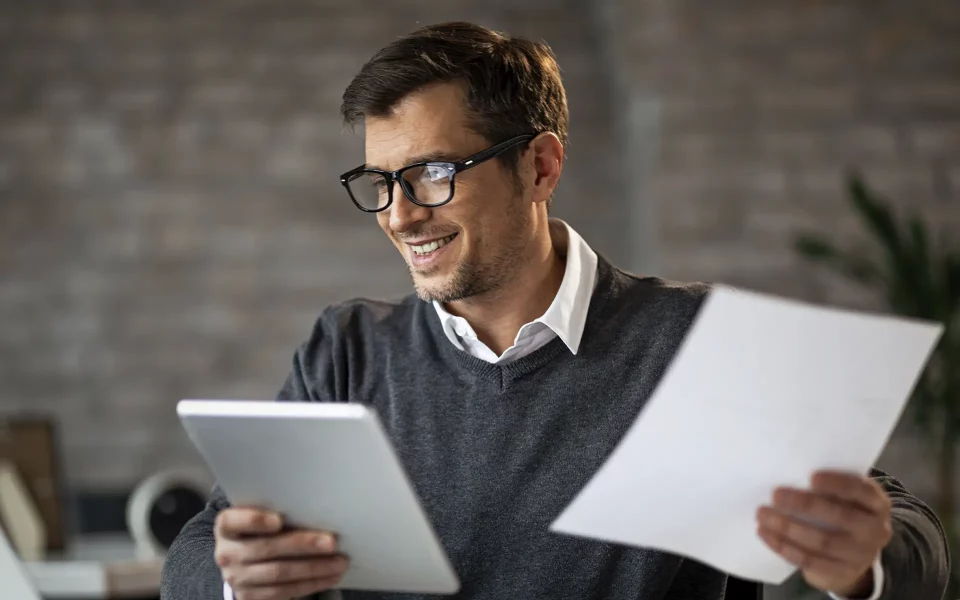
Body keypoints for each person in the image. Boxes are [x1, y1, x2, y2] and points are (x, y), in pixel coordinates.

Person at [160, 21, 949, 600]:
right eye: (382, 183)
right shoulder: (348, 350)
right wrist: (237, 579)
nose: (399, 215)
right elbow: (201, 549)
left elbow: (910, 535)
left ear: (539, 166)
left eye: (433, 173)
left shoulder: (691, 341)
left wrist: (862, 561)